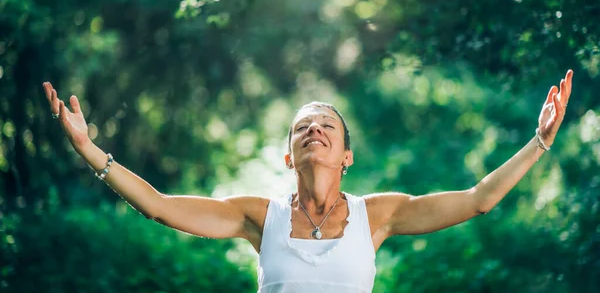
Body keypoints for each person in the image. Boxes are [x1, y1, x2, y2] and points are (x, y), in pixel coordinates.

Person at [42, 70, 573, 293]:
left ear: (346, 156)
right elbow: (158, 205)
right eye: (302, 126)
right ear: (288, 154)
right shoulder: (258, 215)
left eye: (326, 125)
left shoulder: (379, 214)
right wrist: (89, 149)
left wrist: (541, 140)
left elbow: (479, 200)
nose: (313, 129)